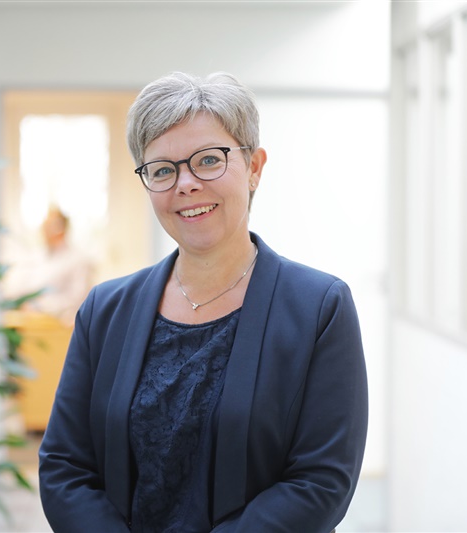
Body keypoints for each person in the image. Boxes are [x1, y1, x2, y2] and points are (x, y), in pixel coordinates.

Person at [38, 72, 368, 532]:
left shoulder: (319, 309)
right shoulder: (105, 311)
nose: (186, 183)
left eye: (209, 160)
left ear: (254, 168)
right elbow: (65, 467)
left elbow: (321, 480)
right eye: (162, 169)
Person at [3, 206, 94, 326]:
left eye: (49, 225)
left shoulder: (78, 260)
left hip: (59, 326)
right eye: (44, 225)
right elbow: (23, 286)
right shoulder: (37, 256)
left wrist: (39, 305)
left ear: (61, 228)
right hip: (29, 322)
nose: (44, 229)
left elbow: (77, 299)